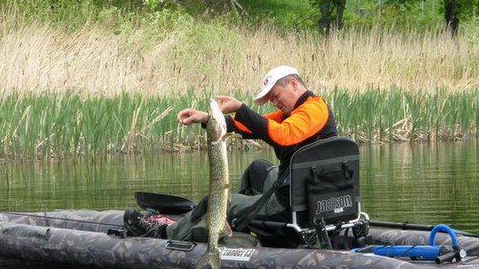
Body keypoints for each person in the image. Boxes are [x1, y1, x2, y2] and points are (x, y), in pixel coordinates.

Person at [125, 65, 337, 246]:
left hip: (291, 203)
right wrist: (208, 118)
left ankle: (165, 232)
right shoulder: (294, 113)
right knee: (257, 170)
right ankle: (238, 222)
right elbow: (250, 126)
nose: (275, 102)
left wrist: (241, 107)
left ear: (293, 83)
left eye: (276, 96)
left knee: (214, 201)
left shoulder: (313, 109)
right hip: (304, 190)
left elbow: (284, 135)